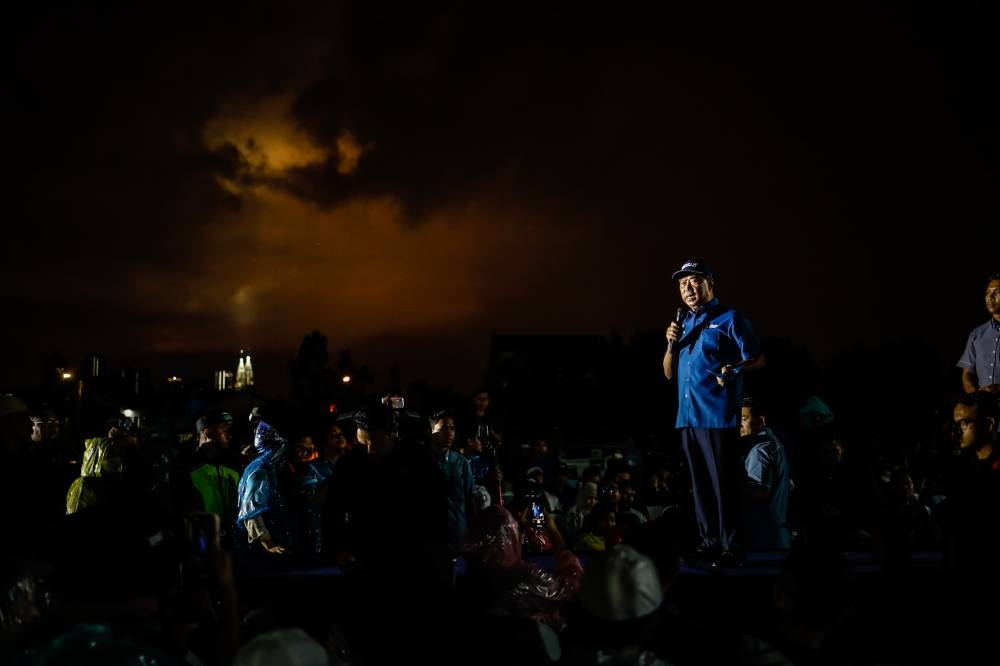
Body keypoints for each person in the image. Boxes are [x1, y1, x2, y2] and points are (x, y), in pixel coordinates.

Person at [663, 259, 764, 566]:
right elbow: (668, 373)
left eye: (694, 281)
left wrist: (734, 368)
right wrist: (671, 344)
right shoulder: (684, 325)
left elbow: (758, 359)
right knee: (700, 485)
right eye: (682, 284)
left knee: (724, 484)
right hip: (688, 418)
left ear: (710, 283)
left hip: (718, 416)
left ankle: (732, 547)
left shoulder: (731, 318)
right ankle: (708, 543)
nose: (688, 288)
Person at [739, 397, 791, 552]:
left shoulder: (760, 450)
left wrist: (728, 487)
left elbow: (760, 492)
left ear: (760, 420)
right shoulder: (775, 443)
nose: (739, 424)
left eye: (744, 419)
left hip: (764, 540)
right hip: (777, 537)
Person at [957, 272, 1000, 401]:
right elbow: (967, 375)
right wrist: (975, 397)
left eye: (997, 292)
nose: (990, 297)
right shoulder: (976, 334)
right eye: (987, 292)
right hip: (985, 412)